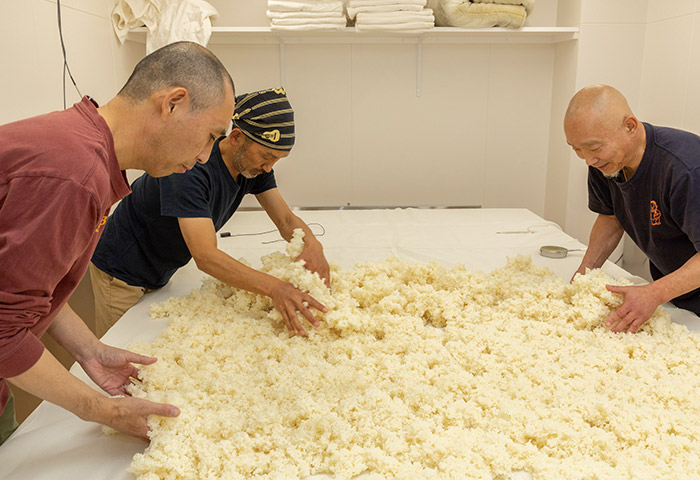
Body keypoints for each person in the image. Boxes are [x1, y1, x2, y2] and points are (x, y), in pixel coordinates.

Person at [0, 41, 236, 446]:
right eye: (211, 135)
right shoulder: (74, 174)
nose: (204, 157)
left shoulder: (81, 147)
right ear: (172, 103)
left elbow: (23, 291)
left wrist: (91, 351)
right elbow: (3, 328)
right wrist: (100, 409)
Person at [90, 87, 330, 339]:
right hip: (121, 272)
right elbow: (205, 256)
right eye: (266, 156)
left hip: (161, 268)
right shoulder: (190, 168)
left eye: (277, 160)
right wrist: (275, 288)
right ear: (236, 137)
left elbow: (286, 220)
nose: (269, 167)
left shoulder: (253, 168)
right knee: (123, 346)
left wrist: (311, 243)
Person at [564, 84, 700, 333]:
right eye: (577, 150)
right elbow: (610, 216)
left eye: (594, 148)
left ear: (630, 126)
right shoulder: (604, 164)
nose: (588, 160)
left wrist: (654, 293)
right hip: (680, 298)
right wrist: (584, 276)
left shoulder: (686, 169)